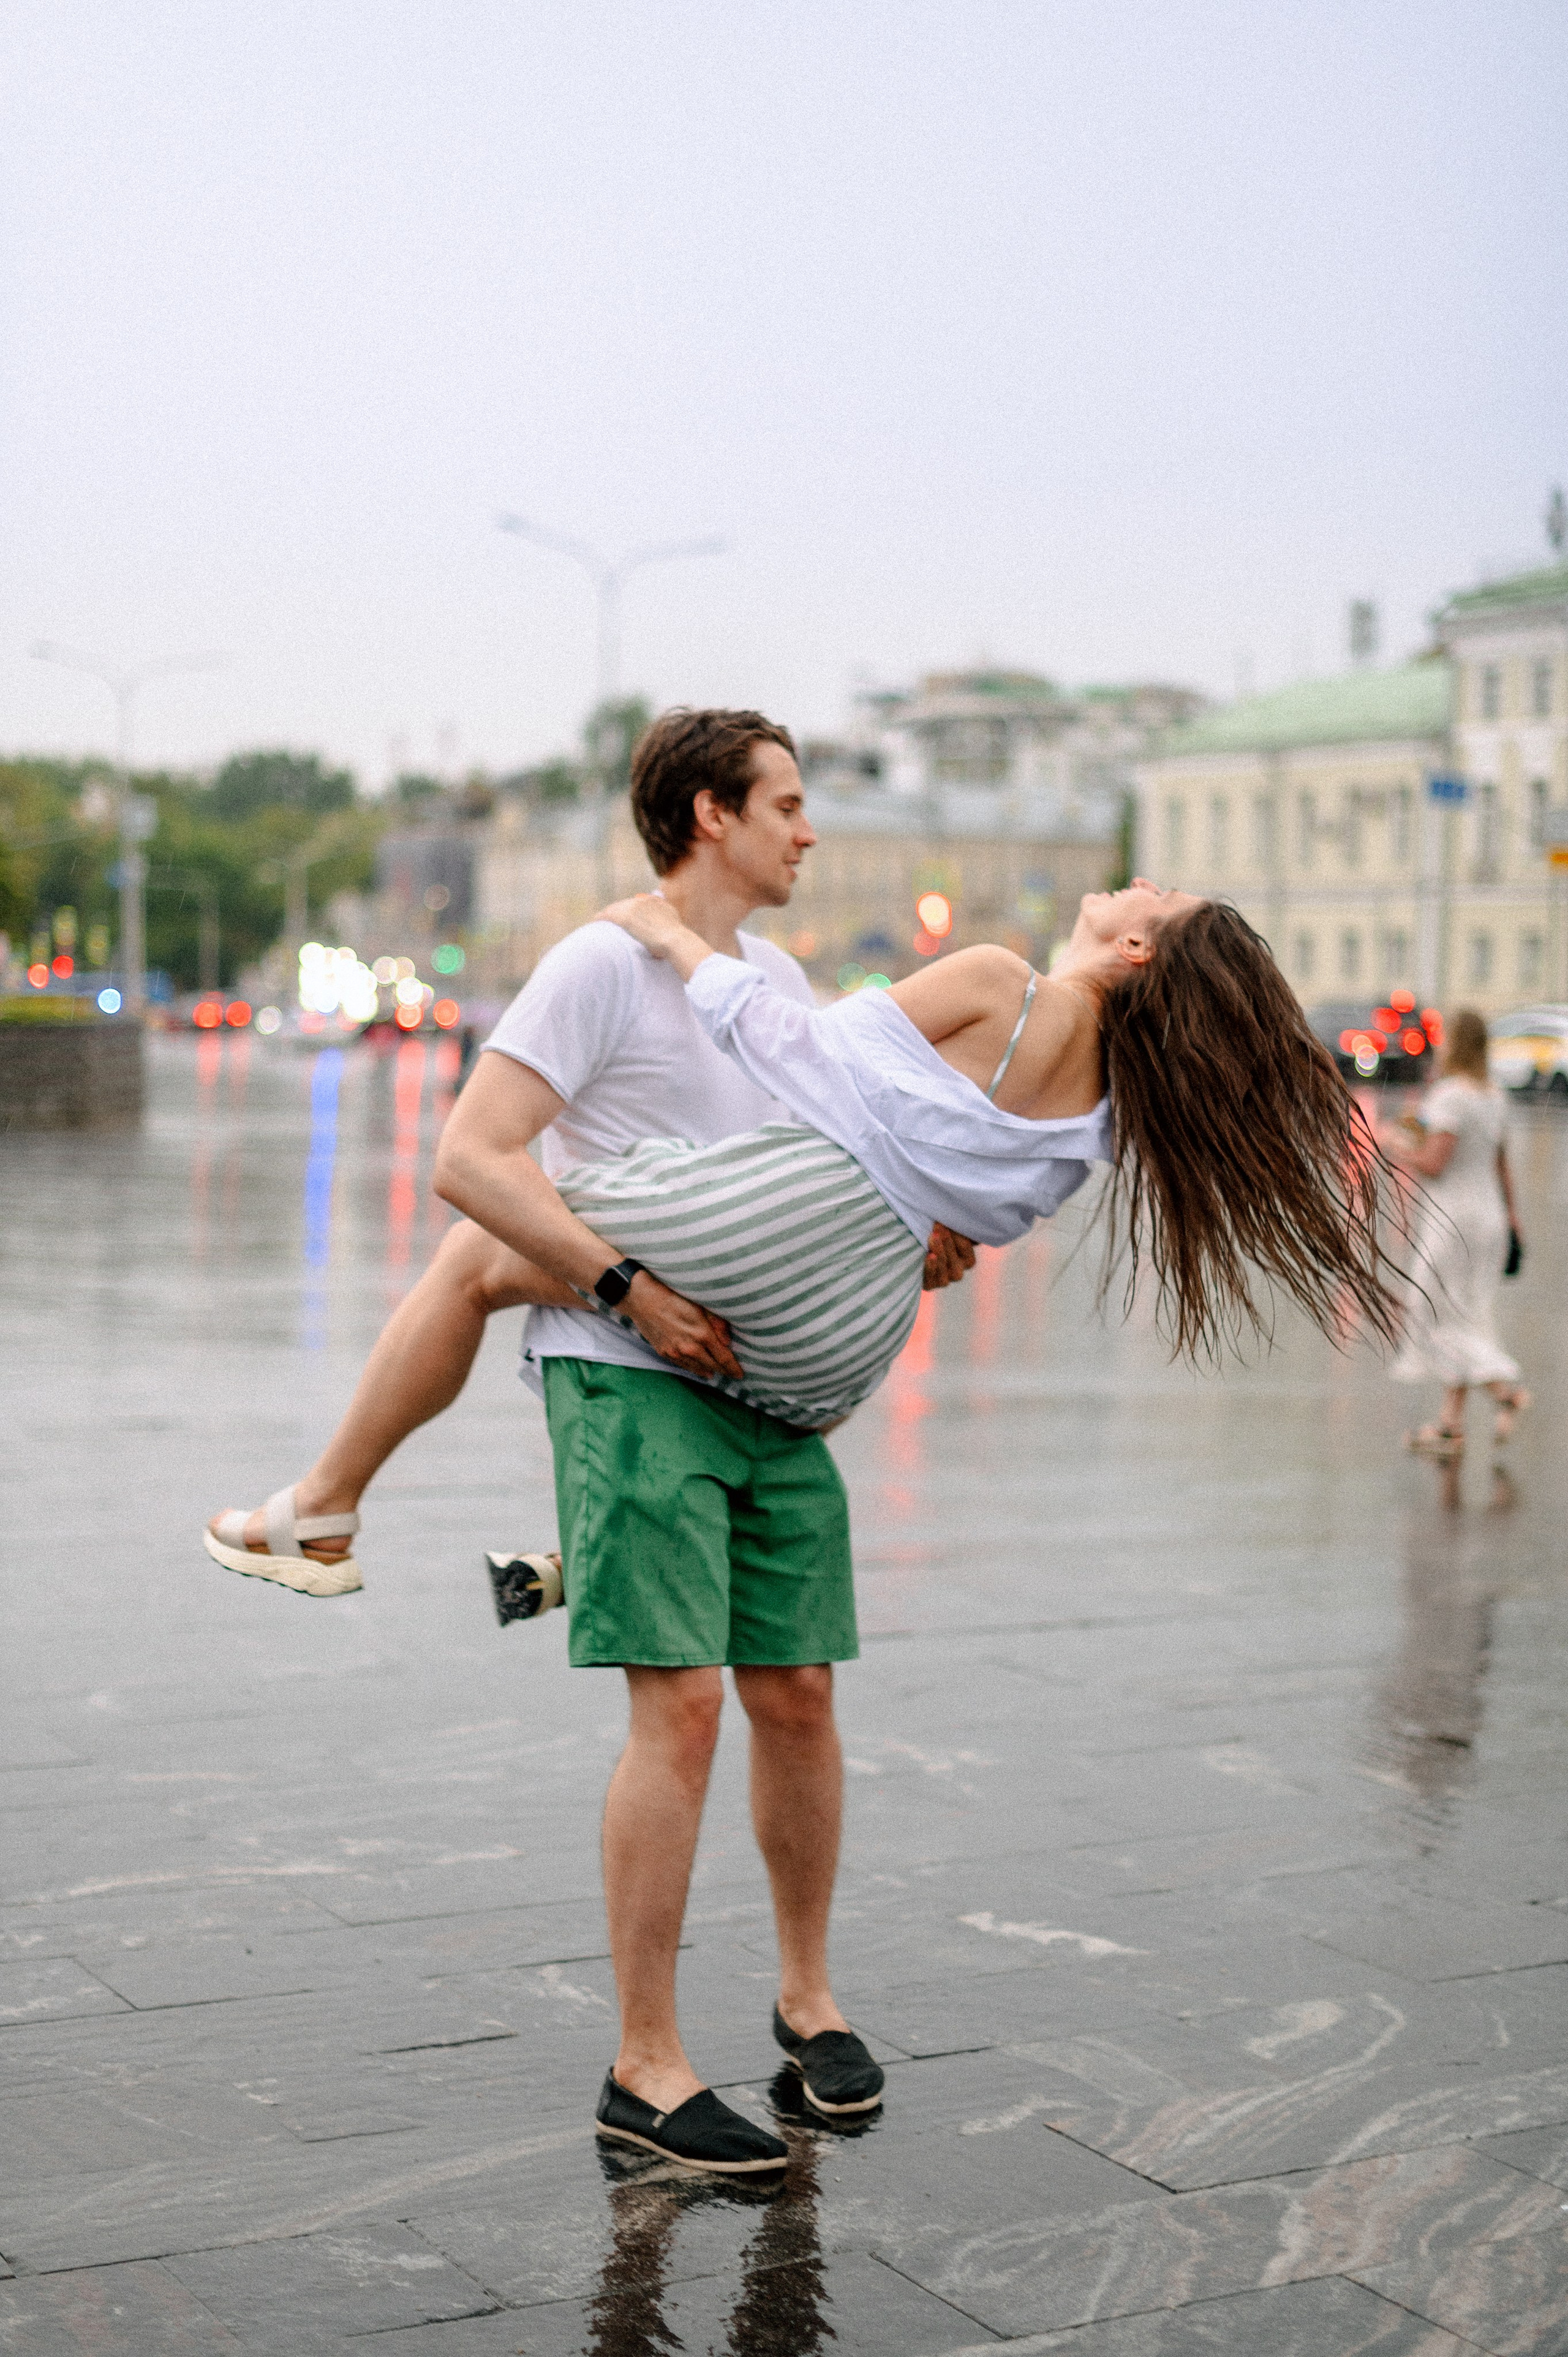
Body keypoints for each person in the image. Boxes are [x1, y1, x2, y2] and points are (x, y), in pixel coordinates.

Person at [206, 706, 974, 2176]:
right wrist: (626, 1286)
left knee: (800, 1691)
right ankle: (644, 2061)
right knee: (679, 1706)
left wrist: (914, 1231)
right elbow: (466, 1159)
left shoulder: (778, 980)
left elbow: (819, 1163)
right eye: (787, 804)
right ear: (708, 815)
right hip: (626, 1366)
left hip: (769, 1388)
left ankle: (805, 1999)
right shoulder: (598, 967)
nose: (808, 830)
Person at [1382, 1006, 1529, 1465]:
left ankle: (1506, 1391)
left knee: (1428, 1311)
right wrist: (1513, 1217)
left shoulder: (1450, 1096)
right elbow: (1501, 1164)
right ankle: (1450, 1425)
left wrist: (1394, 1144)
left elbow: (1434, 1164)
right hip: (1489, 1220)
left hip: (1454, 1223)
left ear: (1455, 1044)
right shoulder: (1494, 1096)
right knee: (1465, 1313)